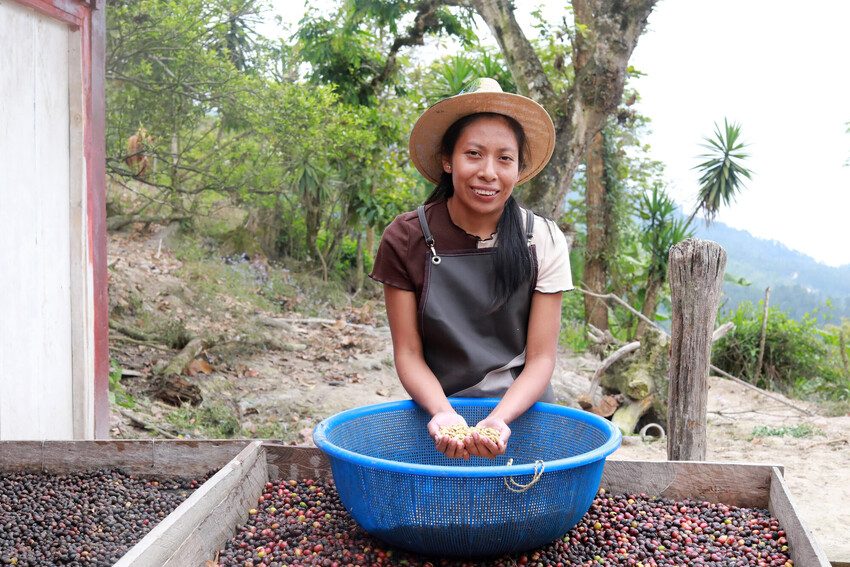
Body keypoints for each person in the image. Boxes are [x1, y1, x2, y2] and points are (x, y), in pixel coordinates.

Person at [369, 78, 573, 460]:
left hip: (522, 414)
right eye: (474, 154)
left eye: (504, 158)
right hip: (437, 412)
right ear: (449, 160)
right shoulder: (406, 237)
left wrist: (500, 420)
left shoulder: (542, 239)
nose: (488, 172)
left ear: (519, 167)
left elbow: (542, 357)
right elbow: (409, 353)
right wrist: (444, 413)